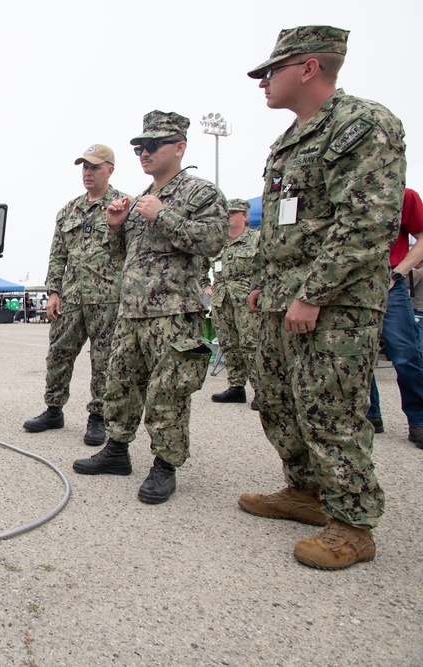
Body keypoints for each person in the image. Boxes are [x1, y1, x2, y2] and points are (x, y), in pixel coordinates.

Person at [238, 26, 407, 570]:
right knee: (280, 402)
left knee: (330, 409)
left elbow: (368, 221)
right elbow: (285, 228)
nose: (263, 81)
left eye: (272, 70)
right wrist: (266, 280)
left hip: (334, 299)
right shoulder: (290, 139)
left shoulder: (363, 124)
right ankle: (307, 492)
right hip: (283, 297)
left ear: (309, 67)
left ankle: (354, 524)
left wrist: (312, 293)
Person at [72, 111, 228, 505]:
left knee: (168, 393)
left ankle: (164, 465)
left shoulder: (199, 194)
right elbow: (124, 257)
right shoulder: (139, 199)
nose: (144, 152)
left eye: (153, 145)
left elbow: (212, 241)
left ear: (179, 147)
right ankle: (117, 449)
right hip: (132, 312)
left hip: (174, 314)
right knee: (120, 385)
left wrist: (164, 216)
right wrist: (116, 227)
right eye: (140, 147)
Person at [23, 144, 127, 448]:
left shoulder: (122, 206)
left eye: (95, 167)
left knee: (103, 360)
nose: (88, 172)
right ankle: (53, 409)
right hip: (70, 298)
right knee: (59, 353)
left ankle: (98, 417)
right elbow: (57, 256)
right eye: (84, 167)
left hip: (108, 298)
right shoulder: (68, 211)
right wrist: (53, 291)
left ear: (110, 169)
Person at [366, 189, 423, 441]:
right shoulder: (345, 192)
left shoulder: (404, 195)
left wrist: (398, 273)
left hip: (390, 281)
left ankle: (419, 419)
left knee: (406, 355)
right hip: (352, 282)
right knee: (359, 354)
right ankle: (370, 414)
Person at [209, 198, 261, 410]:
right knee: (229, 344)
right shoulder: (217, 241)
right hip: (222, 300)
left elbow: (265, 267)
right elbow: (200, 264)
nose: (229, 216)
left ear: (245, 216)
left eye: (233, 213)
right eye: (226, 213)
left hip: (246, 300)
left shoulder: (256, 239)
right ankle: (236, 387)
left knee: (252, 344)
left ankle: (262, 391)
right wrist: (206, 285)